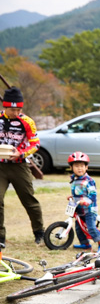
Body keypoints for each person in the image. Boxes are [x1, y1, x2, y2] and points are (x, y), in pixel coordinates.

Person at [0, 86, 44, 247]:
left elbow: (35, 144)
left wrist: (22, 153)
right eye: (13, 110)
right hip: (1, 167)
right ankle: (0, 237)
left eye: (19, 109)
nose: (17, 113)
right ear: (5, 106)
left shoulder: (27, 121)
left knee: (29, 200)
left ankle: (39, 232)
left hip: (19, 166)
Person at [67, 151, 100, 251]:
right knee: (79, 228)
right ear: (71, 168)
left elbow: (92, 194)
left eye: (82, 166)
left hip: (89, 210)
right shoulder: (74, 180)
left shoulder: (89, 180)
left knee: (91, 228)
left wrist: (87, 201)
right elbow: (78, 193)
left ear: (86, 167)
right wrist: (72, 196)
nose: (79, 168)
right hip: (79, 210)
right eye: (76, 166)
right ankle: (85, 244)